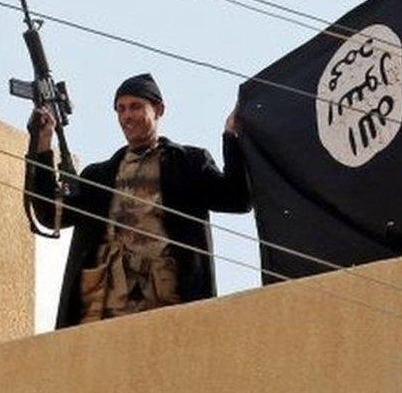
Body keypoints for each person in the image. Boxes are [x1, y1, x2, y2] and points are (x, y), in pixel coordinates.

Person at [30, 73, 252, 328]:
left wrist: (231, 137)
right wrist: (42, 144)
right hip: (100, 314)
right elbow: (50, 214)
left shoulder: (187, 164)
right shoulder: (99, 176)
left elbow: (237, 199)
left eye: (135, 107)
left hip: (167, 312)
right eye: (121, 109)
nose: (127, 116)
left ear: (159, 109)